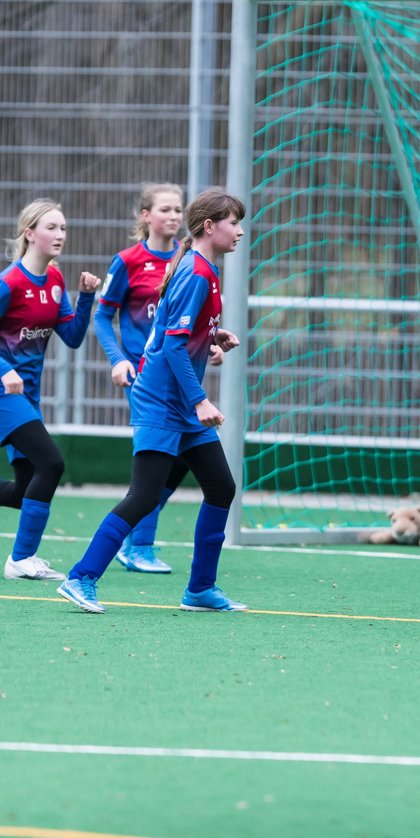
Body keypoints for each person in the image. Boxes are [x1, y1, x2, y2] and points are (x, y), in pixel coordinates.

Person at [58, 187, 245, 614]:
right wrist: (200, 400)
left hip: (179, 402)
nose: (239, 231)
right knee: (143, 495)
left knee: (221, 487)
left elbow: (171, 332)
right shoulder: (197, 272)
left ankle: (199, 590)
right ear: (210, 226)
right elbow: (174, 348)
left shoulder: (201, 268)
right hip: (162, 402)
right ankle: (81, 577)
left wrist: (213, 338)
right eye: (233, 223)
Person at [0, 199, 100, 580]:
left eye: (63, 228)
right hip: (4, 393)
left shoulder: (55, 281)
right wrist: (5, 369)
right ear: (29, 234)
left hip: (26, 398)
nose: (60, 235)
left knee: (24, 489)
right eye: (51, 228)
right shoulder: (9, 282)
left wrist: (87, 297)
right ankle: (21, 560)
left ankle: (23, 558)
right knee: (52, 463)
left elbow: (72, 338)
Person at [95, 183, 190, 574]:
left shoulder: (188, 261)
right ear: (145, 216)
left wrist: (211, 344)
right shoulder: (128, 260)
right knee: (159, 457)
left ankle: (135, 531)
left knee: (185, 457)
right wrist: (118, 359)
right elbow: (102, 317)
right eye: (165, 209)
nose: (173, 216)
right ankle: (139, 547)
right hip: (143, 377)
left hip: (178, 375)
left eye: (178, 209)